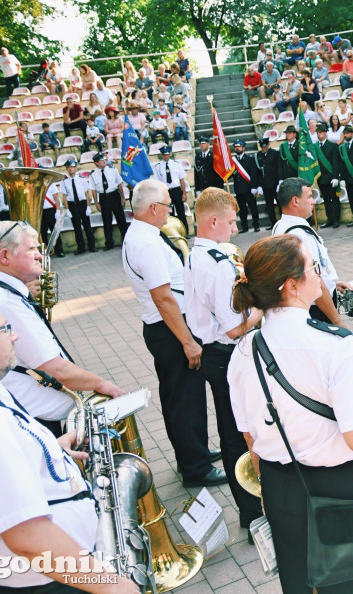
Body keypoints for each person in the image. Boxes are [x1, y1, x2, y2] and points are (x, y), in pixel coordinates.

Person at [227, 235, 353, 594]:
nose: (320, 274)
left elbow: (250, 435)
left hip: (281, 487)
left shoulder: (244, 349)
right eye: (314, 267)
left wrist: (268, 488)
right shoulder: (334, 344)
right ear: (292, 285)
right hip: (342, 488)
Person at [0, 294, 140, 594]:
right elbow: (28, 537)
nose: (14, 336)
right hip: (46, 582)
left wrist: (47, 454)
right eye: (4, 329)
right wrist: (113, 586)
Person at [0, 220, 123, 434]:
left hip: (31, 416)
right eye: (31, 248)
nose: (39, 256)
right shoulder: (3, 299)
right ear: (4, 256)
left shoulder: (0, 292)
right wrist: (101, 384)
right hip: (34, 421)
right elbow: (54, 368)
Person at [121, 179, 223, 487]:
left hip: (165, 327)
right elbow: (163, 297)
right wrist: (188, 342)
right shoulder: (148, 242)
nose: (170, 210)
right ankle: (196, 468)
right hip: (171, 328)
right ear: (153, 208)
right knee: (187, 400)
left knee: (177, 397)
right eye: (167, 204)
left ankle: (193, 453)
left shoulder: (142, 235)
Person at [184, 188, 264, 537]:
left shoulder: (198, 253)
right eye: (230, 222)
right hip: (225, 354)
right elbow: (233, 329)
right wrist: (262, 310)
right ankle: (253, 514)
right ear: (213, 221)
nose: (234, 229)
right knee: (238, 435)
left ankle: (253, 511)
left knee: (236, 430)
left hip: (215, 353)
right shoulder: (216, 265)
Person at [272, 178, 352, 326]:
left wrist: (333, 284)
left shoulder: (281, 225)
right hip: (317, 307)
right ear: (295, 201)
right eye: (309, 196)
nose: (313, 201)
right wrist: (337, 320)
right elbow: (313, 278)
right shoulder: (298, 234)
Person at [89, 152, 128, 251]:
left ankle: (126, 241)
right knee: (107, 221)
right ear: (96, 163)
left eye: (104, 160)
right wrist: (96, 202)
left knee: (121, 220)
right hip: (104, 198)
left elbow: (119, 184)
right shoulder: (93, 174)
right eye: (101, 160)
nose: (104, 161)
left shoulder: (112, 170)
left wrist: (122, 197)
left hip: (114, 196)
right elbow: (93, 189)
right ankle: (109, 243)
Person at [59, 159, 96, 255]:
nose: (71, 169)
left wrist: (88, 206)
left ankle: (92, 246)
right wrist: (67, 209)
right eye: (69, 167)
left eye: (73, 167)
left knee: (87, 226)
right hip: (72, 205)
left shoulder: (82, 179)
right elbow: (64, 196)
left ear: (76, 168)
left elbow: (87, 194)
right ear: (66, 169)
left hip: (82, 204)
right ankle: (81, 247)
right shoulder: (64, 182)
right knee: (77, 227)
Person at [152, 145, 190, 234]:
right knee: (170, 214)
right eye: (164, 154)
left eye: (167, 154)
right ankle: (173, 233)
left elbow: (181, 180)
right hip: (166, 192)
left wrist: (184, 193)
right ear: (161, 155)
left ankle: (185, 232)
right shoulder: (158, 167)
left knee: (181, 213)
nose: (166, 156)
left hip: (176, 190)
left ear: (170, 154)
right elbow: (158, 183)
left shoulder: (176, 164)